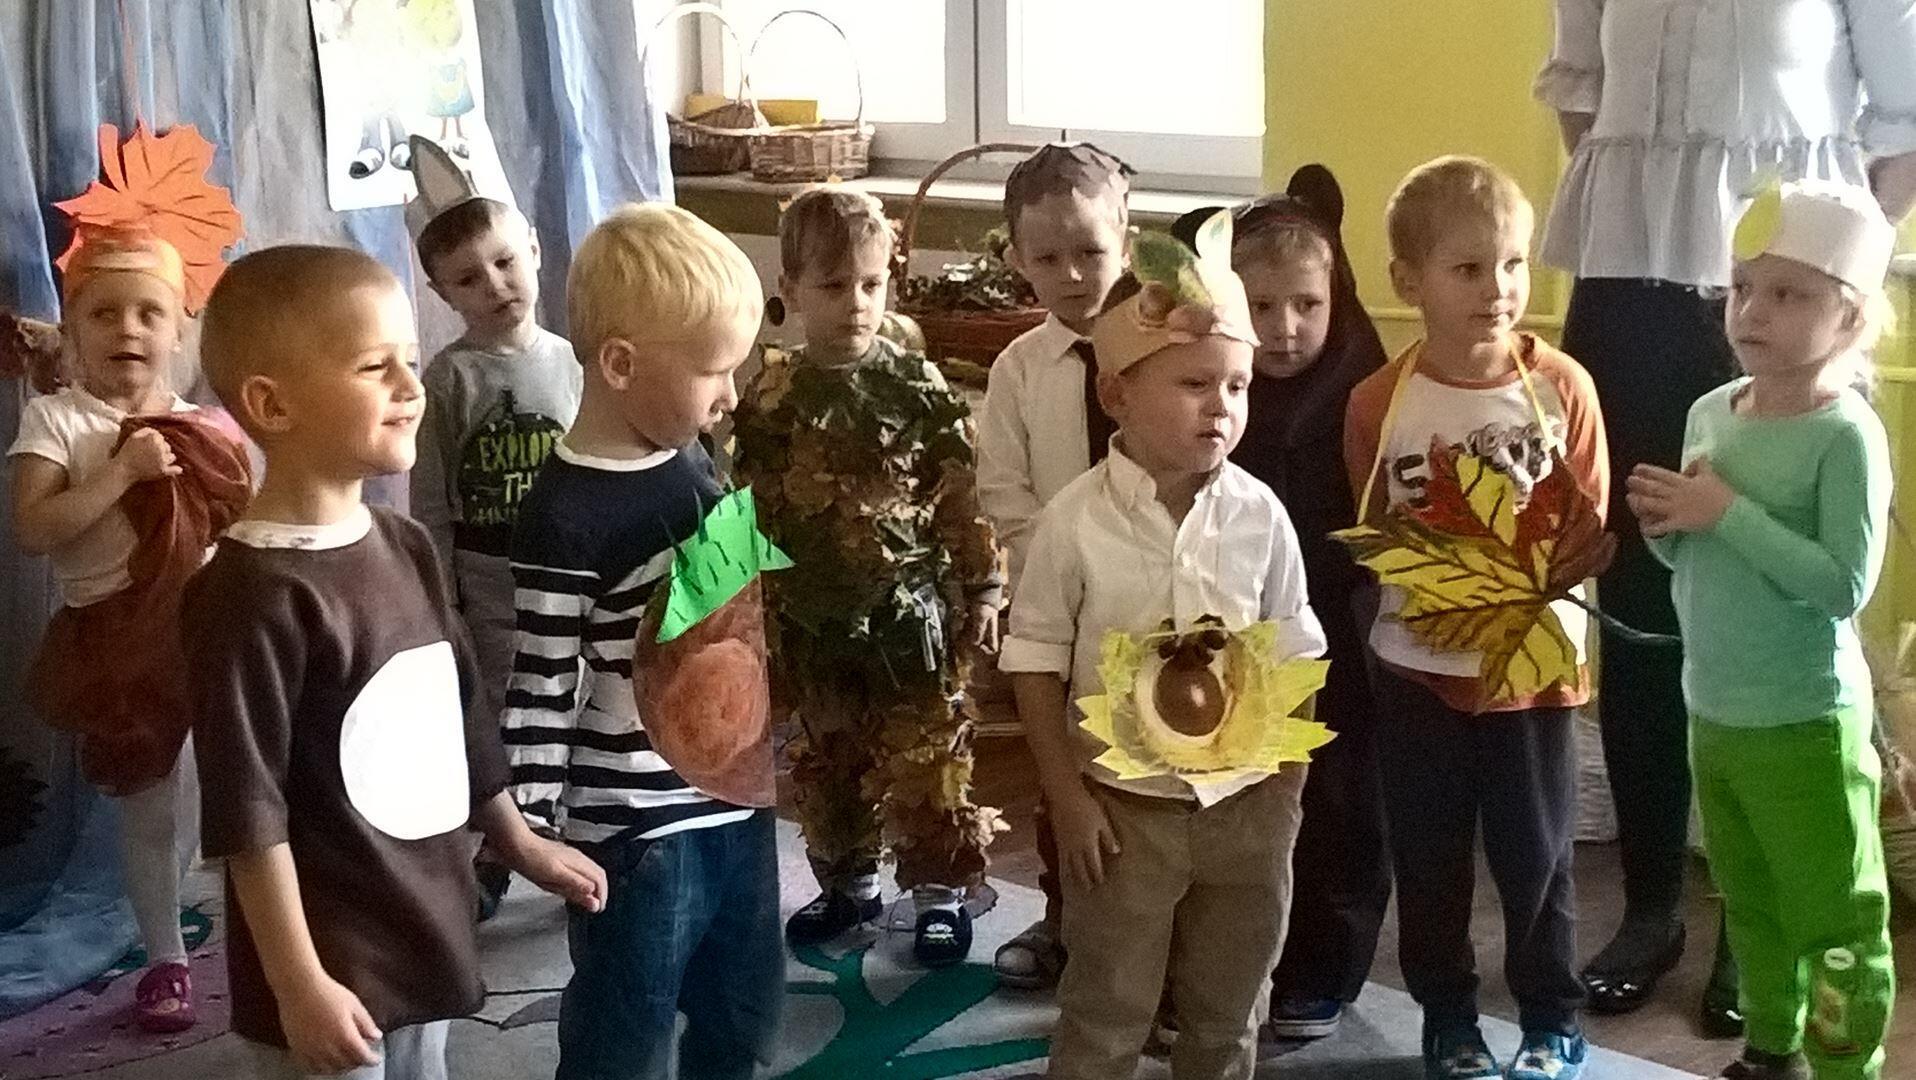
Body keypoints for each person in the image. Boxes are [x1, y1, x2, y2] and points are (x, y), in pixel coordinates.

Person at [1536, 0, 1916, 1028]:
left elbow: (1907, 117)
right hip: (1627, 285)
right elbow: (1580, 93)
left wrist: (1830, 273)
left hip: (1783, 289)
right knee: (1636, 589)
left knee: (1770, 590)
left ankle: (1761, 937)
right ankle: (1652, 907)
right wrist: (1649, 219)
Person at [184, 244, 606, 1080]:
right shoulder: (247, 593)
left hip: (424, 912)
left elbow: (460, 714)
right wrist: (297, 982)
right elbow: (247, 812)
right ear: (271, 404)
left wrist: (516, 840)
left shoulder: (405, 544)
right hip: (330, 950)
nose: (412, 387)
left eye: (410, 360)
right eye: (376, 367)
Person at [1002, 211, 1326, 1080]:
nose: (1221, 407)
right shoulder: (1071, 525)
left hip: (1247, 809)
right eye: (1193, 383)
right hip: (1122, 817)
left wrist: (1287, 790)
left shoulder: (1261, 517)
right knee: (1108, 1007)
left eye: (1237, 386)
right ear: (1116, 395)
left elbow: (1296, 649)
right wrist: (1067, 799)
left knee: (1231, 1007)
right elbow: (1034, 664)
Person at [500, 204, 783, 1080]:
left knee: (743, 1010)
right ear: (620, 365)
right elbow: (543, 681)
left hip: (736, 801)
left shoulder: (693, 459)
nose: (729, 395)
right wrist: (531, 830)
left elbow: (738, 627)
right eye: (713, 371)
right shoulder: (564, 515)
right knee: (624, 1028)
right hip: (637, 829)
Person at [1626, 180, 1899, 1080]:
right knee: (1749, 902)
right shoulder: (1711, 411)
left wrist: (1724, 512)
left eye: (1788, 293)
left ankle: (1844, 1066)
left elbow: (1841, 586)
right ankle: (1771, 1050)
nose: (1753, 311)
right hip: (1715, 711)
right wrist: (1668, 527)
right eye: (1742, 287)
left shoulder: (1845, 436)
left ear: (1849, 317)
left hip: (1805, 724)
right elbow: (1692, 558)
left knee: (1837, 920)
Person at [1344, 156, 1606, 1080]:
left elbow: (1585, 528)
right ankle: (1448, 1017)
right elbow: (1377, 537)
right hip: (1420, 671)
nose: (1497, 289)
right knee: (1430, 856)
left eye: (1513, 264)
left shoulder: (1564, 387)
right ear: (1407, 281)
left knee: (1538, 858)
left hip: (1534, 675)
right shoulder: (1378, 403)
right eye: (1467, 269)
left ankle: (1551, 1018)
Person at [733, 185, 1004, 967]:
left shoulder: (915, 384)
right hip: (809, 620)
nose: (856, 303)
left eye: (872, 284)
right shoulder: (772, 395)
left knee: (927, 760)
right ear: (789, 290)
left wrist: (984, 585)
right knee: (831, 760)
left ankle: (939, 894)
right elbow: (747, 506)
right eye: (833, 286)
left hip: (909, 617)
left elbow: (961, 493)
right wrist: (740, 609)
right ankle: (850, 884)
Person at [8, 226, 252, 1035]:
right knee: (149, 810)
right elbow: (35, 529)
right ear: (72, 328)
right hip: (121, 646)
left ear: (180, 328)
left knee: (245, 793)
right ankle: (164, 959)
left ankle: (266, 935)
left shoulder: (205, 427)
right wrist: (121, 471)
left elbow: (243, 526)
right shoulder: (56, 421)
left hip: (210, 632)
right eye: (104, 312)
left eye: (150, 312)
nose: (128, 328)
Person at [1174, 162, 1392, 1042]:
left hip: (1335, 633)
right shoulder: (1211, 388)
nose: (1285, 328)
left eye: (1307, 304)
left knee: (1336, 801)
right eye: (1260, 307)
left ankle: (1322, 964)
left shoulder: (1366, 385)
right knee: (1224, 798)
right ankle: (1219, 964)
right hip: (1225, 628)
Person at [405, 136, 581, 918]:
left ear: (534, 251)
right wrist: (441, 595)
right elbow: (431, 500)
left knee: (569, 704)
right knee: (502, 714)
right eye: (469, 278)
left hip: (568, 577)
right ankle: (493, 848)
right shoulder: (449, 378)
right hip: (488, 583)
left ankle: (565, 833)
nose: (496, 285)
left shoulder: (572, 362)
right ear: (444, 294)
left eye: (506, 262)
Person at [974, 140, 1133, 988]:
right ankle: (1065, 918)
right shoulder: (1019, 370)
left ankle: (1162, 935)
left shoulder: (1164, 349)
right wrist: (1069, 575)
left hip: (1163, 605)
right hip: (1062, 609)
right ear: (1017, 261)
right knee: (1065, 772)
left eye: (1090, 251)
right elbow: (1004, 491)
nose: (1072, 274)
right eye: (1047, 258)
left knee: (1156, 769)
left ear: (1126, 242)